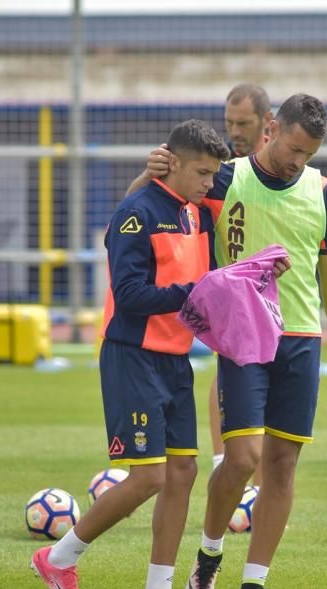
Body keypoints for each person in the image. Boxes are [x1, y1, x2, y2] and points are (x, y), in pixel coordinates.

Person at [127, 93, 327, 589]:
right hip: (244, 336)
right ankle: (209, 554)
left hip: (301, 339)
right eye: (294, 147)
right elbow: (146, 209)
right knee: (243, 457)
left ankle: (253, 588)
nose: (298, 160)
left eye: (309, 152)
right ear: (273, 128)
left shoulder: (323, 191)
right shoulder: (226, 178)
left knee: (283, 463)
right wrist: (149, 176)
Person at [30, 119, 231, 589]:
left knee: (183, 472)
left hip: (175, 360)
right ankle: (58, 558)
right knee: (148, 478)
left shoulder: (196, 213)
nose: (211, 183)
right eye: (203, 173)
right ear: (175, 164)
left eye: (214, 174)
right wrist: (197, 295)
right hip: (131, 357)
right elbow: (131, 294)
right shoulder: (136, 215)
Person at [128, 84, 273, 485]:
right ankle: (224, 468)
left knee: (271, 390)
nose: (235, 130)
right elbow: (135, 210)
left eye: (243, 122)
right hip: (226, 297)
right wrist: (150, 173)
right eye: (229, 122)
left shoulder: (277, 173)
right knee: (230, 372)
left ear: (268, 123)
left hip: (271, 293)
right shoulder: (214, 174)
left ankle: (259, 482)